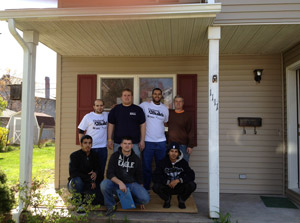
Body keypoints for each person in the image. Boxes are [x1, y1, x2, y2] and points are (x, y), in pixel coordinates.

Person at [100, 136, 150, 216]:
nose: (127, 145)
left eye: (129, 144)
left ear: (132, 145)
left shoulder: (136, 159)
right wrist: (120, 183)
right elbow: (109, 173)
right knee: (104, 184)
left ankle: (125, 198)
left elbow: (139, 177)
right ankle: (111, 206)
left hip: (131, 184)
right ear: (121, 145)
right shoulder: (115, 156)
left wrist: (141, 196)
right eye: (125, 143)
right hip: (116, 184)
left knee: (145, 199)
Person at [139, 88, 169, 191]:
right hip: (147, 141)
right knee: (146, 167)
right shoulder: (145, 105)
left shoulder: (165, 109)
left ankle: (159, 188)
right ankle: (146, 188)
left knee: (160, 167)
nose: (157, 96)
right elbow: (133, 110)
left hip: (161, 142)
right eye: (155, 94)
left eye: (159, 94)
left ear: (161, 96)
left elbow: (165, 123)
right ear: (152, 95)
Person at [152, 142, 196, 209]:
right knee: (156, 186)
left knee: (192, 185)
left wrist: (179, 180)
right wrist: (167, 181)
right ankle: (167, 199)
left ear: (178, 153)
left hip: (179, 186)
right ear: (168, 152)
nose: (173, 153)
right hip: (167, 186)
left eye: (176, 151)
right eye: (171, 151)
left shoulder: (183, 162)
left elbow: (191, 175)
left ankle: (181, 199)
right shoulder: (162, 162)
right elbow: (155, 176)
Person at [68, 135, 103, 212]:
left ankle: (80, 198)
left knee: (99, 200)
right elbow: (73, 173)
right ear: (81, 144)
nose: (88, 145)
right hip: (75, 183)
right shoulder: (74, 156)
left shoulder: (95, 155)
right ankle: (79, 205)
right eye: (85, 143)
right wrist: (90, 179)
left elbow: (98, 169)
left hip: (89, 183)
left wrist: (96, 173)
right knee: (77, 181)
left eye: (90, 143)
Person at [78, 99, 108, 186]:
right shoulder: (88, 117)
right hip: (91, 148)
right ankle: (90, 191)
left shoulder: (107, 115)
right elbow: (80, 131)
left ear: (104, 106)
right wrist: (82, 145)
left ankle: (99, 191)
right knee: (90, 171)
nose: (99, 107)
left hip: (103, 148)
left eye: (101, 105)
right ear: (94, 107)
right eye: (97, 105)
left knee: (101, 171)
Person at [107, 89, 146, 157]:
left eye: (129, 95)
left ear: (132, 97)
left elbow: (143, 125)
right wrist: (109, 139)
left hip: (134, 143)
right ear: (121, 97)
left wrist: (142, 140)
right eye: (125, 95)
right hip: (118, 143)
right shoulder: (115, 110)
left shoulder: (138, 110)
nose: (127, 97)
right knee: (118, 164)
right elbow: (111, 125)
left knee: (135, 165)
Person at [168, 95, 194, 162]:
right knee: (171, 167)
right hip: (170, 145)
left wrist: (190, 146)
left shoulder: (187, 116)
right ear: (174, 103)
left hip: (183, 146)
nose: (178, 103)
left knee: (183, 166)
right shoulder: (169, 113)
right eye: (176, 101)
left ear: (183, 103)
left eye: (180, 101)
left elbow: (191, 131)